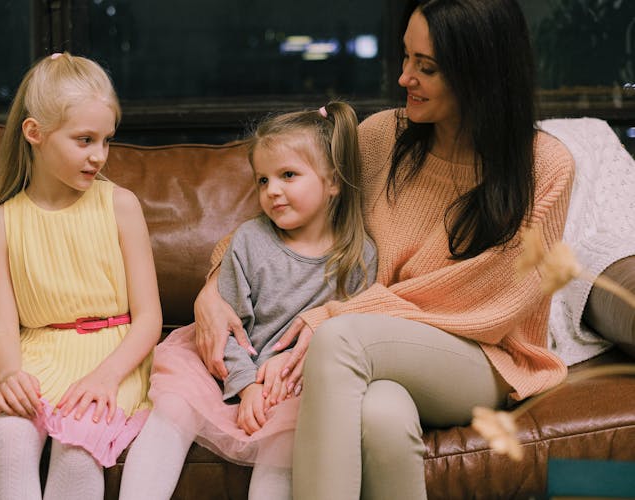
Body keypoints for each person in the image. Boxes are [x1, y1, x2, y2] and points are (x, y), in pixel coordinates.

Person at [193, 1, 575, 498]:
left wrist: (338, 316)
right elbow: (279, 227)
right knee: (383, 415)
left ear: (481, 74)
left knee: (340, 339)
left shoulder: (544, 166)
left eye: (426, 67)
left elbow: (491, 302)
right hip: (379, 355)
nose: (403, 78)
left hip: (483, 357)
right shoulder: (381, 139)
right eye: (405, 57)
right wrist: (212, 288)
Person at [118, 102, 377, 500]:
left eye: (288, 175)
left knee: (288, 442)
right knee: (172, 409)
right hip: (225, 366)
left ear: (334, 182)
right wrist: (245, 387)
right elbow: (227, 328)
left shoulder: (359, 258)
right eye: (262, 180)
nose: (272, 190)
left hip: (297, 387)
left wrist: (278, 386)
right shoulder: (250, 241)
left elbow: (355, 334)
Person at [0, 52, 162, 500]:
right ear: (35, 134)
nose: (99, 156)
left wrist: (107, 377)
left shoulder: (120, 205)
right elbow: (6, 326)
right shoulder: (0, 223)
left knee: (77, 444)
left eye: (106, 140)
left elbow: (149, 317)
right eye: (84, 140)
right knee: (9, 432)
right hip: (37, 353)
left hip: (112, 355)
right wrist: (9, 375)